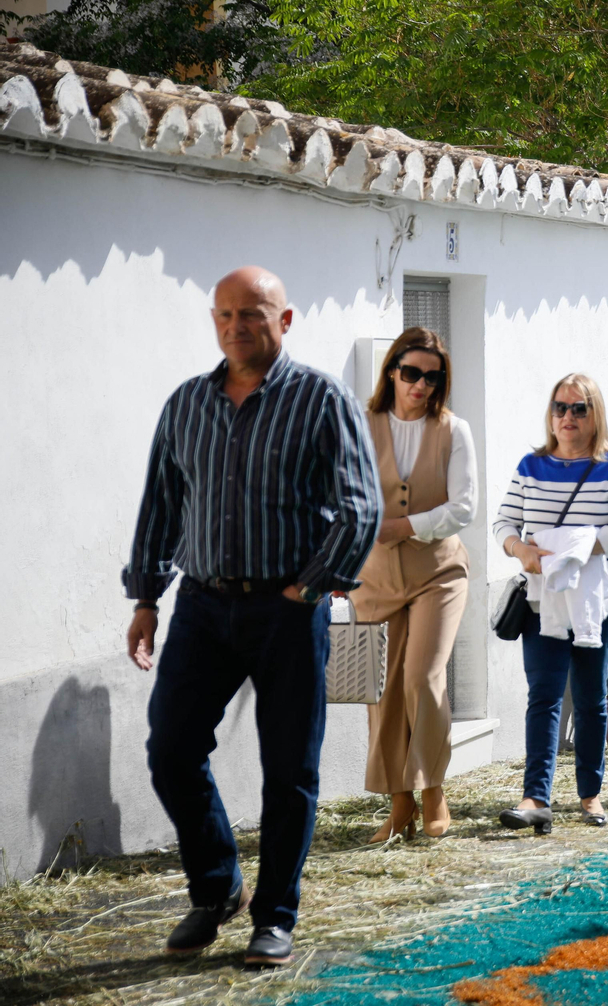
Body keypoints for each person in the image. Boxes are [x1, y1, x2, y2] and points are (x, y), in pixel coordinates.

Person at [125, 266, 382, 967]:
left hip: (286, 612)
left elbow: (362, 505)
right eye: (226, 314)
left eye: (254, 313)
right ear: (215, 321)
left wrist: (312, 584)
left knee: (288, 768)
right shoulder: (187, 405)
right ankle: (216, 889)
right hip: (202, 606)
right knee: (171, 746)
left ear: (286, 319)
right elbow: (161, 507)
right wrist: (147, 597)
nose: (238, 325)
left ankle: (275, 915)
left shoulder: (321, 399)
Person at [493, 374, 608, 833]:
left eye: (579, 408)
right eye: (560, 407)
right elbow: (503, 523)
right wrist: (523, 551)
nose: (568, 417)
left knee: (592, 698)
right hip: (542, 600)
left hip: (599, 601)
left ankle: (590, 795)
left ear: (595, 413)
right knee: (544, 696)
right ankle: (536, 797)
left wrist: (575, 550)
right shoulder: (530, 465)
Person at [353, 328, 478, 844]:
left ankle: (432, 791)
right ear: (391, 371)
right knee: (381, 691)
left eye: (433, 376)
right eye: (412, 373)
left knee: (422, 677)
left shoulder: (454, 430)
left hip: (438, 574)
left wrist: (404, 526)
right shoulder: (362, 426)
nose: (421, 385)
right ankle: (399, 803)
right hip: (376, 577)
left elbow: (463, 508)